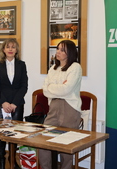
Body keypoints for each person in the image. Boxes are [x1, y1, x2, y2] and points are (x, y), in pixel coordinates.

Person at [39, 40, 82, 169]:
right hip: (54, 107)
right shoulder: (53, 68)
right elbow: (45, 90)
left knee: (66, 146)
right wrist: (58, 87)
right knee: (43, 141)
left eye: (62, 50)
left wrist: (53, 88)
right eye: (58, 49)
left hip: (70, 109)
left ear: (70, 52)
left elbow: (67, 89)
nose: (58, 52)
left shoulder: (75, 67)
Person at [0, 38, 28, 169]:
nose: (11, 49)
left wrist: (14, 103)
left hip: (16, 106)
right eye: (8, 47)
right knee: (0, 135)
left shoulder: (21, 65)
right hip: (0, 104)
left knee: (15, 134)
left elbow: (24, 86)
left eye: (13, 47)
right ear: (3, 50)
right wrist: (4, 103)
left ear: (17, 50)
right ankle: (0, 161)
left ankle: (12, 159)